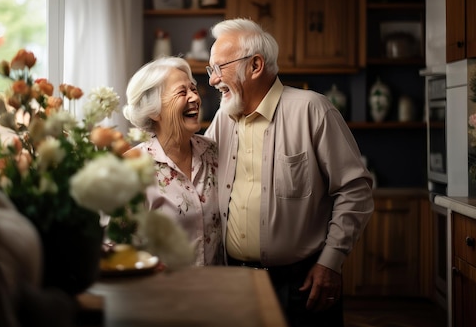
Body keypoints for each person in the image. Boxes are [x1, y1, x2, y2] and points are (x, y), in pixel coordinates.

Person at [204, 18, 374, 327]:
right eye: (210, 70)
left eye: (219, 68)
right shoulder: (223, 118)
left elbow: (355, 190)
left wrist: (331, 263)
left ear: (255, 65)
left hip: (303, 284)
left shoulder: (312, 109)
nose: (213, 80)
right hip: (234, 282)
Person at [123, 56, 223, 266]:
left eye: (193, 89)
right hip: (162, 293)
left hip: (217, 289)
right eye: (182, 92)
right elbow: (117, 244)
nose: (195, 97)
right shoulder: (133, 167)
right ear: (154, 110)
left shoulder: (213, 153)